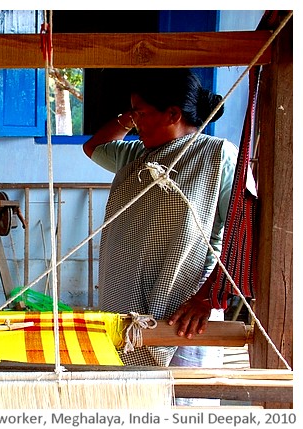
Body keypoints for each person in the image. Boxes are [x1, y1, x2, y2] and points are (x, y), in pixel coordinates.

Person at [83, 68, 236, 375]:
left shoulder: (217, 155)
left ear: (172, 114)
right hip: (129, 311)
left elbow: (243, 236)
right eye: (133, 114)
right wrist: (131, 114)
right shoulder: (136, 156)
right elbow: (94, 147)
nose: (134, 122)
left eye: (140, 113)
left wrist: (207, 298)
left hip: (188, 313)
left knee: (188, 408)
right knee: (133, 402)